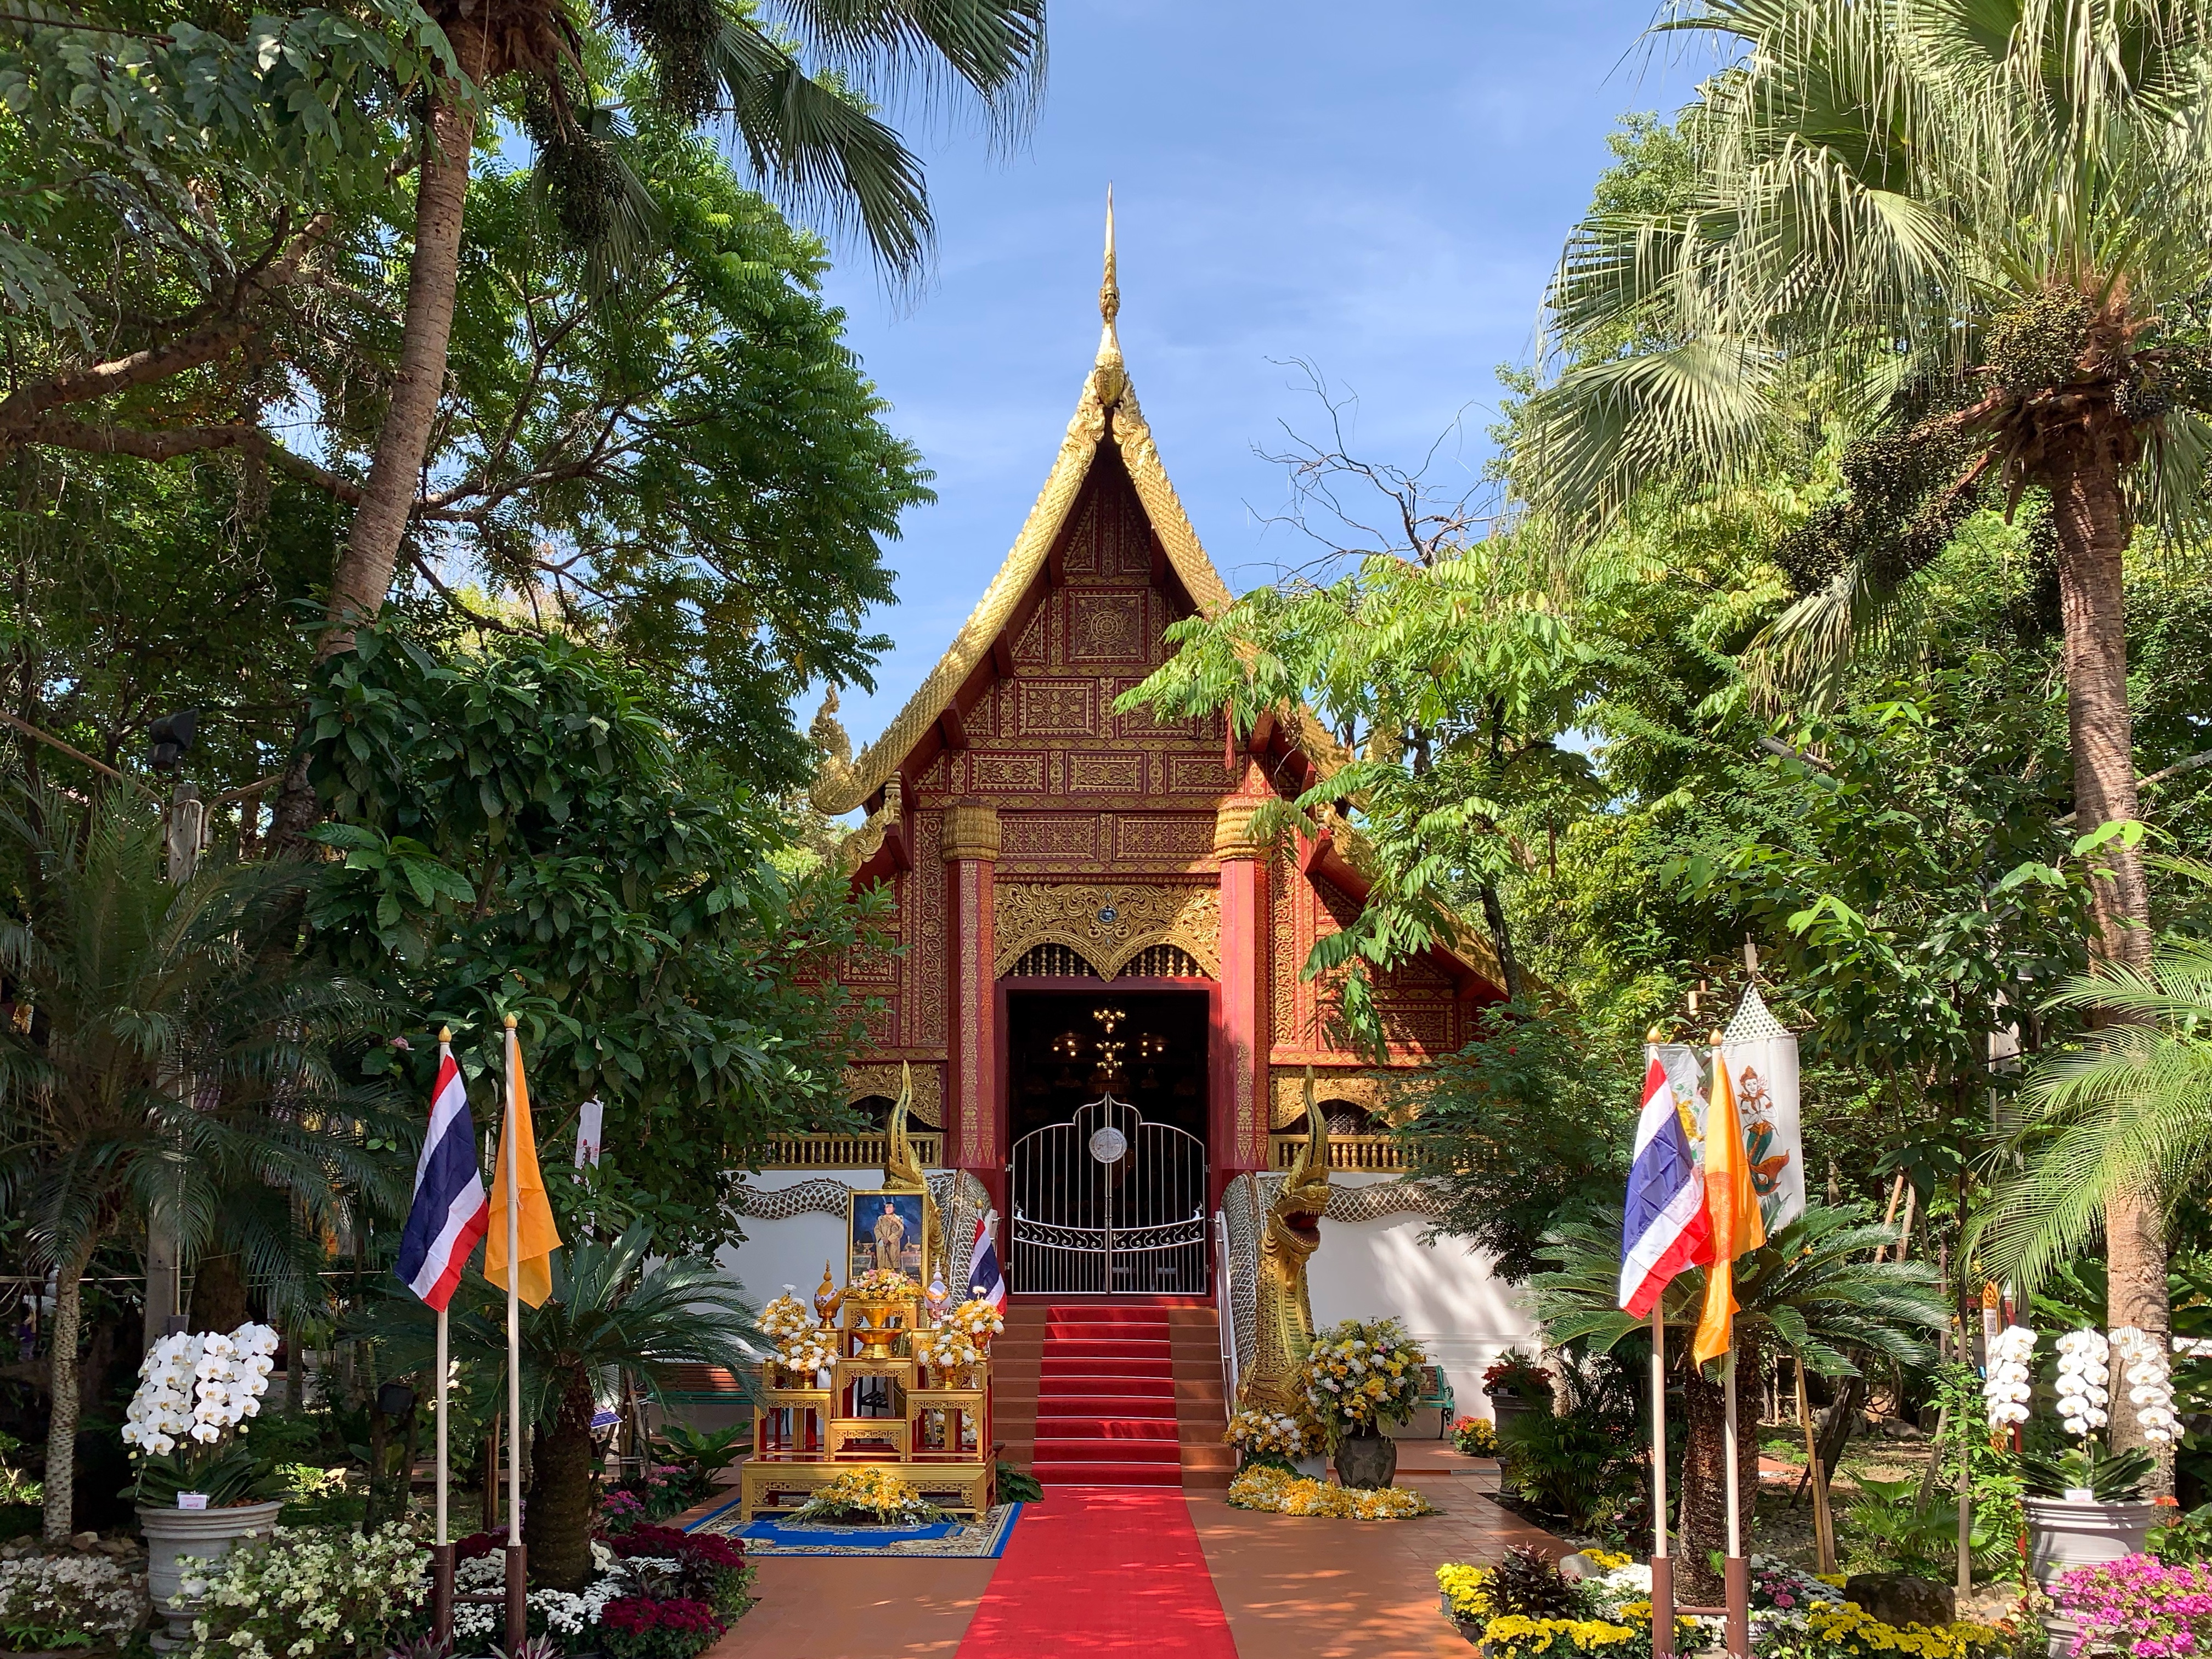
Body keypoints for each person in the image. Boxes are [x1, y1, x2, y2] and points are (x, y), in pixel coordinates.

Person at [872, 1199, 906, 1275]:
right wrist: (882, 1238)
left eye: (890, 1207)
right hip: (882, 1244)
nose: (888, 1209)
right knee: (882, 1264)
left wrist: (890, 1239)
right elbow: (876, 1229)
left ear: (894, 1209)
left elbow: (901, 1230)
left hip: (893, 1244)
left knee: (893, 1261)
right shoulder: (881, 1219)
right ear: (885, 1209)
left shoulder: (898, 1219)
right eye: (887, 1207)